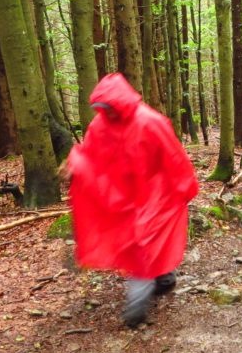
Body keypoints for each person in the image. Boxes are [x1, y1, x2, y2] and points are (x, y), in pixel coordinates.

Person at [63, 73, 198, 327]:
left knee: (148, 240)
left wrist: (185, 186)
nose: (106, 113)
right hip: (123, 196)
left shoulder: (150, 122)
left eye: (109, 108)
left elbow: (174, 155)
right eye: (102, 109)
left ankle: (140, 300)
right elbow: (90, 156)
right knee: (139, 244)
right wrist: (76, 165)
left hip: (157, 193)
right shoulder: (99, 125)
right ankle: (159, 282)